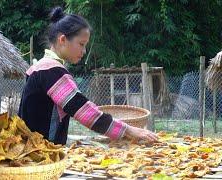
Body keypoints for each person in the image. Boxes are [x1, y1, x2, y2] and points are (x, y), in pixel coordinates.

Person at [18, 7, 158, 145]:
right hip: (41, 155)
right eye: (81, 44)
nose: (84, 51)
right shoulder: (52, 71)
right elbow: (85, 112)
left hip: (30, 149)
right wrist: (130, 130)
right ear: (63, 40)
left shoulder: (39, 68)